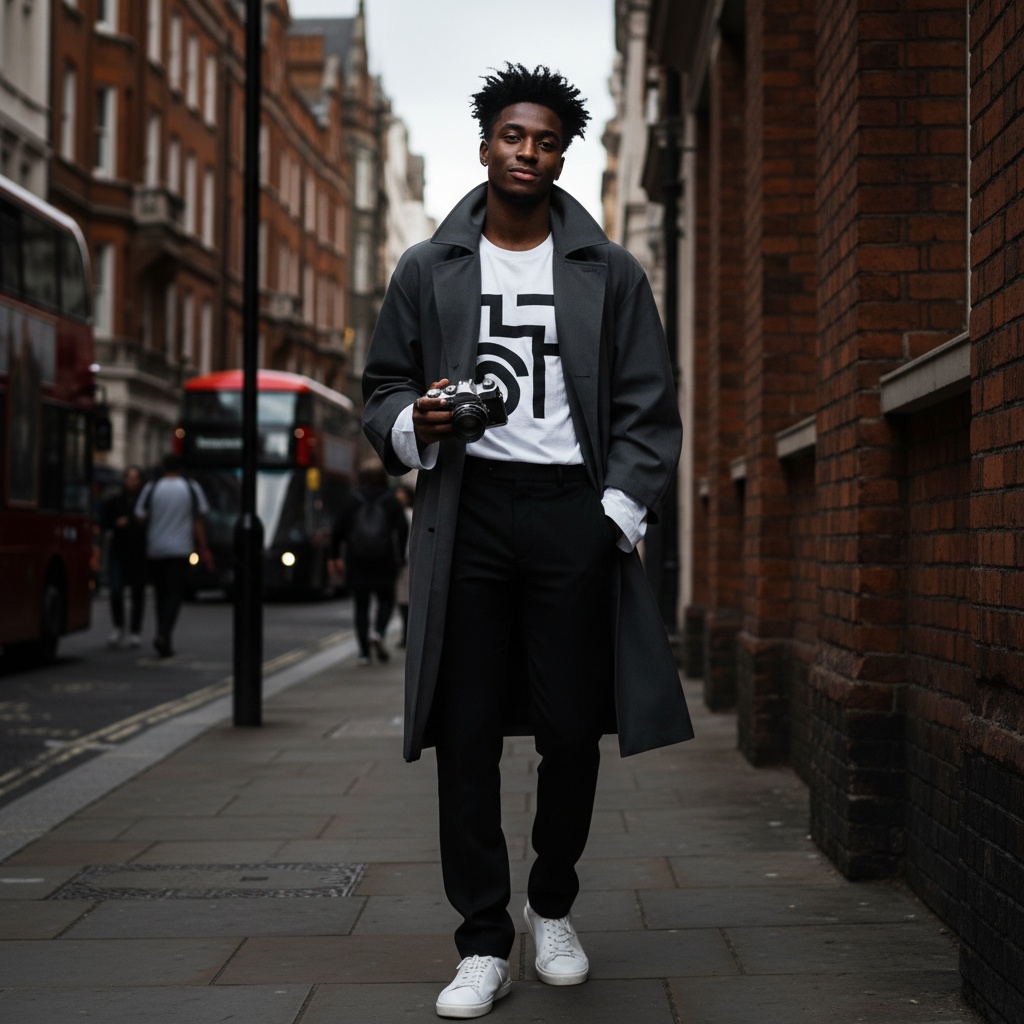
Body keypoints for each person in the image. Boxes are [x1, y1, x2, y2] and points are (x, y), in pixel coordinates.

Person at [361, 63, 694, 1018]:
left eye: (546, 141)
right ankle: (482, 942)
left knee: (571, 728)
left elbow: (648, 406)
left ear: (561, 158)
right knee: (465, 732)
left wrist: (612, 517)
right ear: (485, 146)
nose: (528, 152)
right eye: (513, 135)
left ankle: (551, 905)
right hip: (466, 511)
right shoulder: (427, 267)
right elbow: (380, 389)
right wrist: (415, 421)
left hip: (570, 514)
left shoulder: (610, 271)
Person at [134, 453, 213, 658]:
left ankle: (163, 634)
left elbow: (140, 515)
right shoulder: (190, 487)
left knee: (160, 594)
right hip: (180, 549)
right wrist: (204, 548)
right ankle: (164, 633)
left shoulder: (152, 487)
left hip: (155, 549)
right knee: (174, 594)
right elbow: (199, 519)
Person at [330, 459, 408, 665]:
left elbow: (337, 530)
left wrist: (334, 556)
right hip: (384, 559)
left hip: (357, 559)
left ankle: (364, 653)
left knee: (361, 606)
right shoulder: (390, 500)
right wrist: (400, 556)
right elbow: (402, 529)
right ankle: (379, 633)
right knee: (386, 600)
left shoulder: (353, 500)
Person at [100, 465, 147, 648]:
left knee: (137, 593)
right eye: (129, 478)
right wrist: (115, 523)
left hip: (138, 552)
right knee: (116, 589)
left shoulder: (144, 502)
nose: (132, 482)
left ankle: (135, 630)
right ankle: (118, 626)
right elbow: (104, 522)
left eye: (135, 479)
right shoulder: (115, 501)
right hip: (119, 551)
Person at [393, 482, 415, 648]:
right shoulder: (409, 513)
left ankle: (407, 635)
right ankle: (407, 635)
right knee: (404, 600)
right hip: (406, 559)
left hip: (406, 561)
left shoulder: (406, 514)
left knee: (405, 600)